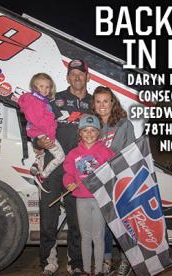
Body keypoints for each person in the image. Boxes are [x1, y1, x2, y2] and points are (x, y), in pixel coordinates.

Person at [37, 59, 93, 275]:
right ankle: (48, 261)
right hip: (54, 169)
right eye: (73, 74)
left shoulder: (94, 103)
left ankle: (75, 262)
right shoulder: (55, 101)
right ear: (67, 77)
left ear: (87, 77)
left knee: (77, 221)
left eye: (81, 74)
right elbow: (36, 127)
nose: (77, 77)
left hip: (80, 171)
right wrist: (37, 143)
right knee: (48, 219)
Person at [91, 86, 136, 276]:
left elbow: (132, 152)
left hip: (119, 181)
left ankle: (127, 261)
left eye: (106, 101)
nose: (102, 105)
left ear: (112, 103)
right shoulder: (90, 124)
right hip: (98, 183)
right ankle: (106, 260)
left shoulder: (124, 124)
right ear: (94, 104)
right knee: (104, 226)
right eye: (98, 101)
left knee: (124, 224)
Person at [63, 114, 115, 276]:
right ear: (80, 133)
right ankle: (85, 270)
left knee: (98, 236)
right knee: (85, 236)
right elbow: (68, 173)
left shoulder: (105, 152)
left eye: (93, 130)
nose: (89, 134)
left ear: (98, 132)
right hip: (81, 199)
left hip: (99, 199)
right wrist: (69, 183)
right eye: (85, 130)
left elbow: (113, 170)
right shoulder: (73, 153)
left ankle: (99, 271)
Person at [18, 73, 65, 193]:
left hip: (40, 132)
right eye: (41, 86)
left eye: (47, 87)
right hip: (43, 133)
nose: (44, 89)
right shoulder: (36, 101)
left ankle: (37, 165)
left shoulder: (40, 100)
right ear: (34, 87)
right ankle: (42, 176)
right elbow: (39, 121)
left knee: (43, 152)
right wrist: (51, 133)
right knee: (60, 157)